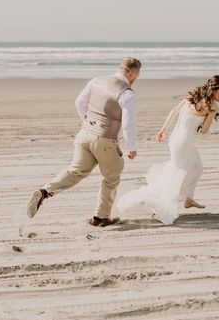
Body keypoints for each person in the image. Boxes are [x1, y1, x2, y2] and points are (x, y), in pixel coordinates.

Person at [26, 57, 141, 226]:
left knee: (75, 171)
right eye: (137, 76)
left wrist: (88, 122)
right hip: (105, 141)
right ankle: (100, 217)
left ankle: (44, 191)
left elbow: (79, 102)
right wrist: (132, 147)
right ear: (132, 73)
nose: (136, 79)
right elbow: (128, 124)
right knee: (111, 178)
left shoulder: (97, 81)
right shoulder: (128, 94)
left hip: (84, 134)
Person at [117, 75, 219, 224]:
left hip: (175, 140)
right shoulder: (212, 106)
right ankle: (160, 205)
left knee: (196, 167)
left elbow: (175, 111)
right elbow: (204, 131)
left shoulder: (192, 96)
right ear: (214, 90)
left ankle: (188, 199)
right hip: (183, 143)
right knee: (176, 174)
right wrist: (211, 114)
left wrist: (163, 129)